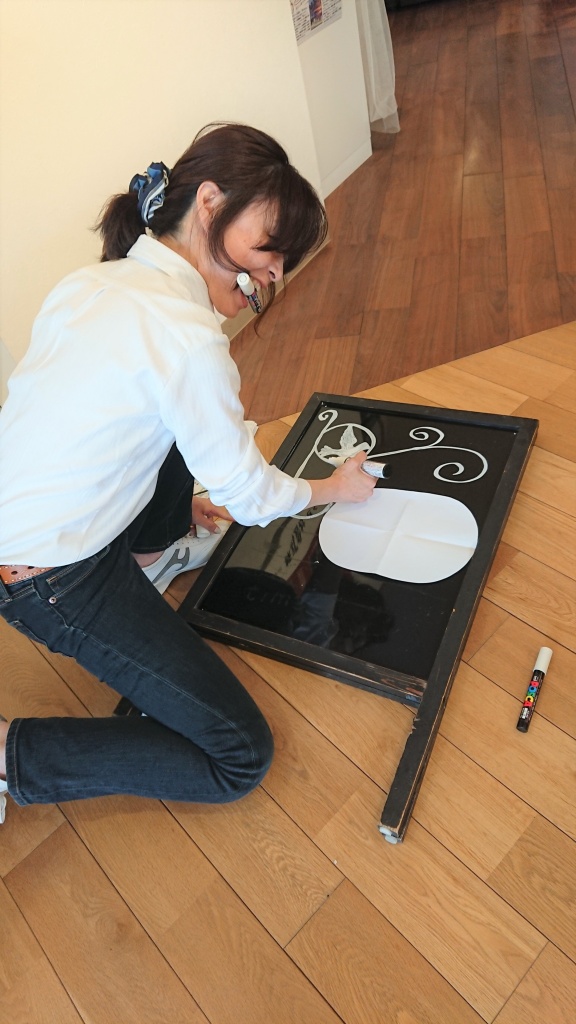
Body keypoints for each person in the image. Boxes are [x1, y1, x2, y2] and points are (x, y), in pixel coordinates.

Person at [0, 123, 376, 823]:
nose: (275, 273)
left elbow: (94, 431)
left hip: (28, 529)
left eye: (285, 260)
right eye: (270, 247)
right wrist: (335, 487)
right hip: (51, 578)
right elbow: (251, 496)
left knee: (178, 424)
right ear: (209, 203)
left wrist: (176, 504)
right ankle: (6, 756)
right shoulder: (186, 337)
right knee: (239, 755)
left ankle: (154, 549)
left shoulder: (92, 282)